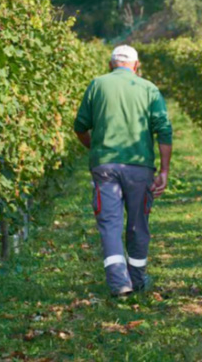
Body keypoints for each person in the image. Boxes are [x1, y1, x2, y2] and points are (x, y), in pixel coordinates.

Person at [74, 45, 173, 297]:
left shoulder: (97, 85)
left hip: (105, 165)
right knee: (138, 222)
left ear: (110, 65)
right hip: (140, 166)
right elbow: (163, 130)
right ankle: (138, 279)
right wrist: (164, 169)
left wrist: (95, 148)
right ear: (136, 66)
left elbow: (80, 126)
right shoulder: (149, 89)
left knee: (110, 223)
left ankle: (119, 284)